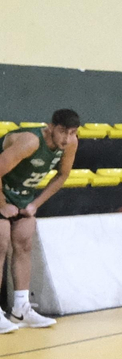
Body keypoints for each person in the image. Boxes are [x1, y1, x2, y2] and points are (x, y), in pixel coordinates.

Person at [0, 109, 80, 331]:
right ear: (50, 127)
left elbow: (63, 174)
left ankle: (20, 309)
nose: (66, 138)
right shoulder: (31, 142)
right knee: (0, 240)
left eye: (72, 133)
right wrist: (2, 204)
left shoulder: (70, 144)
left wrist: (36, 204)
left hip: (22, 196)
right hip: (1, 191)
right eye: (62, 131)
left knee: (25, 242)